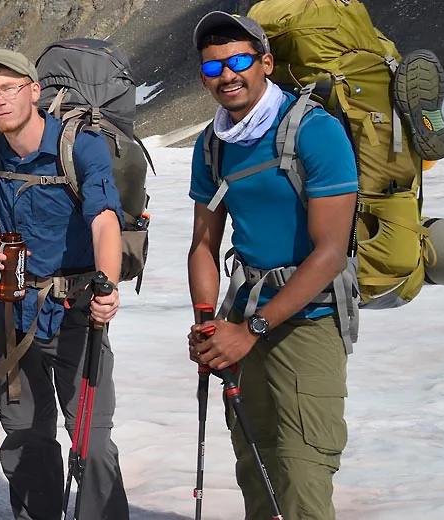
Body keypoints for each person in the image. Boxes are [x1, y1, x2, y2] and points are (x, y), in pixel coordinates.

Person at [186, 12, 358, 520]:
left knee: (302, 471)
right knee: (255, 461)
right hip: (242, 316)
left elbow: (330, 253)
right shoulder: (212, 144)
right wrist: (207, 321)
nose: (226, 74)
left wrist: (253, 329)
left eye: (239, 60)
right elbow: (203, 244)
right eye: (212, 66)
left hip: (310, 318)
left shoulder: (314, 132)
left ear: (266, 63)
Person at [0, 48, 127, 520]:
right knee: (28, 440)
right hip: (13, 315)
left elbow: (105, 220)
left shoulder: (80, 146)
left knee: (91, 443)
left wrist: (107, 286)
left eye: (8, 88)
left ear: (33, 90)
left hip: (76, 313)